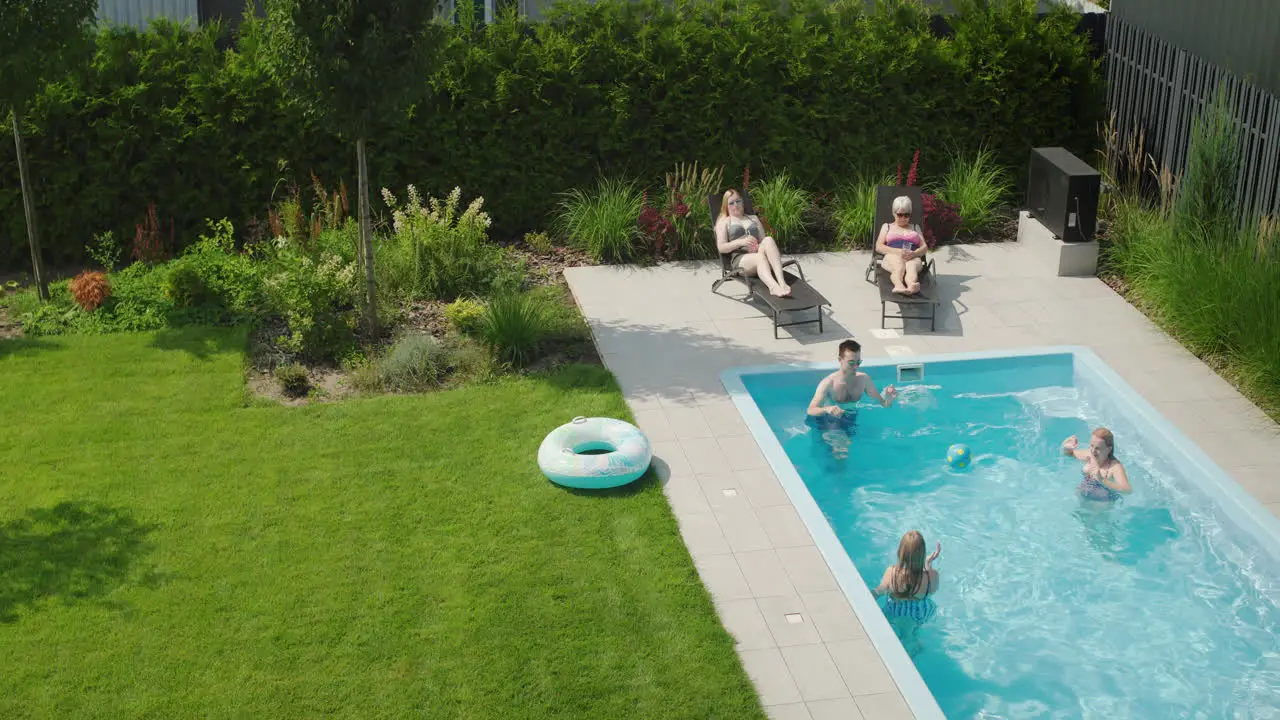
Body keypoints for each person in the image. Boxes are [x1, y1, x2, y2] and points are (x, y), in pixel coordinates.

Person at [873, 530, 941, 655]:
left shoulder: (891, 572)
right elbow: (932, 591)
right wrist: (927, 564)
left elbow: (878, 592)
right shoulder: (932, 576)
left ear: (900, 552)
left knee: (896, 629)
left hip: (895, 612)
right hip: (920, 612)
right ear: (922, 554)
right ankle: (912, 638)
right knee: (911, 632)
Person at [715, 188, 791, 297]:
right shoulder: (725, 222)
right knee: (759, 257)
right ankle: (773, 287)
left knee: (768, 240)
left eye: (738, 201)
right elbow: (721, 247)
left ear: (742, 202)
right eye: (731, 203)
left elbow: (763, 240)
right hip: (741, 260)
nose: (735, 205)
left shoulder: (753, 218)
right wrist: (741, 242)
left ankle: (782, 282)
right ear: (726, 206)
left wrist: (757, 246)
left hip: (758, 253)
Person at [807, 339, 898, 418]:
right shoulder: (828, 383)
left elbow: (884, 404)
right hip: (829, 419)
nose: (855, 367)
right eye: (851, 363)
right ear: (840, 360)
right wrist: (827, 409)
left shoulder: (863, 380)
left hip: (851, 417)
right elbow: (811, 410)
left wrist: (889, 399)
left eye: (858, 362)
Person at [875, 195, 928, 296]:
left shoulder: (915, 227)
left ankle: (911, 285)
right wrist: (898, 252)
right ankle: (899, 285)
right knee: (899, 266)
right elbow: (879, 246)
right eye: (900, 215)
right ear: (894, 213)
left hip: (912, 256)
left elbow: (924, 247)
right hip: (893, 255)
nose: (903, 218)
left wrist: (914, 253)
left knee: (911, 266)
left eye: (906, 215)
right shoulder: (887, 227)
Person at [1062, 427, 1132, 502]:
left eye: (1098, 448)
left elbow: (1127, 490)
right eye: (1092, 445)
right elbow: (1069, 454)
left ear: (1109, 449)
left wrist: (1102, 480)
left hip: (1102, 502)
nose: (1093, 451)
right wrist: (1066, 447)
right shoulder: (1089, 455)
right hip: (1084, 495)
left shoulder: (1114, 467)